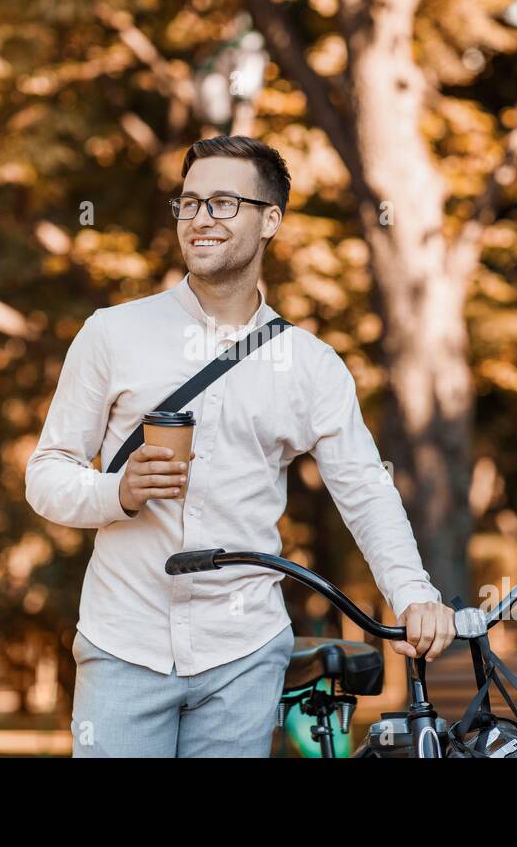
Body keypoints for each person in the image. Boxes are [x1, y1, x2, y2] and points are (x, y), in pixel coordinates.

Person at [26, 135, 455, 757]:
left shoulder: (310, 364)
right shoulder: (112, 334)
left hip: (243, 655)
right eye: (190, 202)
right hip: (124, 643)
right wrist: (113, 492)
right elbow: (46, 473)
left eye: (224, 203)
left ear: (270, 219)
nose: (200, 218)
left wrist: (413, 593)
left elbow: (363, 488)